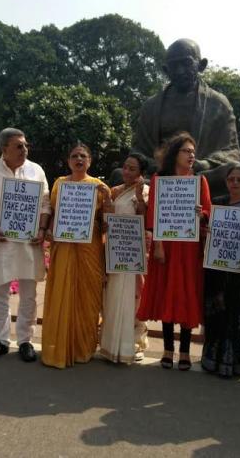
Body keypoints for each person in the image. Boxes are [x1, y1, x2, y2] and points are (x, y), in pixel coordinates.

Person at [137, 132, 211, 370]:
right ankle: (168, 350)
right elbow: (153, 216)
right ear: (174, 154)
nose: (191, 156)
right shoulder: (160, 180)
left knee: (187, 295)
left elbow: (208, 213)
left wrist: (202, 214)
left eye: (193, 152)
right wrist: (157, 246)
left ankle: (186, 351)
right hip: (166, 246)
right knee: (168, 294)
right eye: (186, 151)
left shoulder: (200, 182)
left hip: (189, 248)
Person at [131, 38, 240, 197]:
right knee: (120, 174)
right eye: (174, 66)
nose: (180, 71)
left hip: (200, 173)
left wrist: (205, 163)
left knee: (231, 170)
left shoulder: (218, 103)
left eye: (186, 63)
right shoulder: (151, 106)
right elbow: (137, 150)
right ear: (166, 70)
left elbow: (231, 151)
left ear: (201, 65)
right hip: (158, 173)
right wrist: (155, 164)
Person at [0, 128, 50, 363]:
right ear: (4, 149)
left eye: (26, 145)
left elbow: (45, 205)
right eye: (19, 146)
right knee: (0, 293)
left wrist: (40, 230)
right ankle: (0, 340)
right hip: (1, 242)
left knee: (29, 295)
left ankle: (25, 341)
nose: (24, 150)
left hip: (28, 244)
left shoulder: (36, 170)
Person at [41, 142, 109, 368]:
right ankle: (59, 347)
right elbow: (52, 212)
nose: (79, 159)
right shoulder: (60, 184)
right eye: (74, 156)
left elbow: (107, 222)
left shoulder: (98, 186)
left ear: (90, 161)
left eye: (83, 156)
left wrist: (107, 199)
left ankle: (83, 348)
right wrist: (49, 230)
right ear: (68, 161)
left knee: (88, 297)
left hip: (90, 247)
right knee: (63, 292)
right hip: (65, 245)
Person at [201, 163, 240, 377]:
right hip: (217, 271)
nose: (235, 183)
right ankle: (212, 359)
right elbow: (210, 233)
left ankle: (236, 362)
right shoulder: (219, 205)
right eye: (231, 179)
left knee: (238, 317)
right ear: (226, 182)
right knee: (216, 314)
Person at [100, 153, 150, 364]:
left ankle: (133, 343)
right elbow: (105, 224)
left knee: (134, 299)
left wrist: (140, 198)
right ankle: (110, 344)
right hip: (114, 250)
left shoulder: (146, 191)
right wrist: (107, 204)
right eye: (125, 167)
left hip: (133, 253)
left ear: (141, 172)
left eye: (132, 169)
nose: (127, 172)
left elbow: (146, 220)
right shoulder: (115, 191)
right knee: (111, 297)